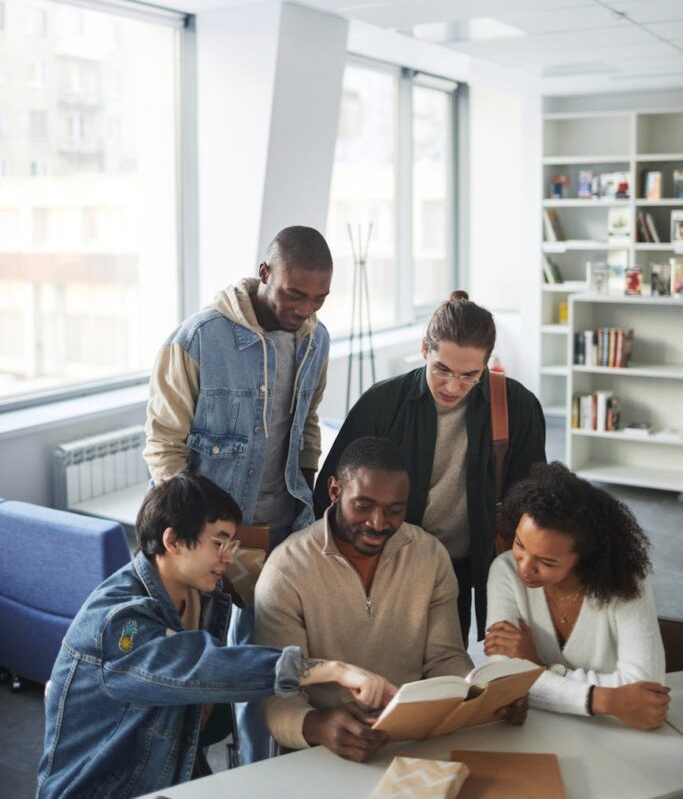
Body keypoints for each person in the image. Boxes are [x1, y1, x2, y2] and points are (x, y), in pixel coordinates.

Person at [37, 474, 394, 799]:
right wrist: (330, 670)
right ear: (173, 541)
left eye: (231, 545)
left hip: (170, 779)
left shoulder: (204, 597)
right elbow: (204, 666)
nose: (228, 558)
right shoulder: (122, 625)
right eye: (219, 544)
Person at [144, 225, 333, 762]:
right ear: (265, 272)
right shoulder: (198, 338)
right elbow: (164, 444)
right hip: (207, 533)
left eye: (318, 298)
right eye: (295, 293)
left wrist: (312, 488)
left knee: (264, 663)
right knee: (194, 671)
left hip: (281, 527)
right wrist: (188, 534)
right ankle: (190, 772)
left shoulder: (317, 339)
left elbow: (309, 422)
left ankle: (257, 774)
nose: (305, 308)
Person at [256, 437, 526, 762]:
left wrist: (482, 698)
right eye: (363, 506)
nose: (378, 523)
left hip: (413, 742)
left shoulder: (429, 556)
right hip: (322, 751)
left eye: (394, 510)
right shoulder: (286, 570)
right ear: (334, 491)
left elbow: (444, 658)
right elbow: (278, 690)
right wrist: (317, 725)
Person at [313, 290, 546, 642]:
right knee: (402, 661)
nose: (453, 386)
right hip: (396, 563)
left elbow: (534, 502)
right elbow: (329, 495)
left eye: (470, 375)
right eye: (442, 369)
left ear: (487, 363)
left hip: (479, 559)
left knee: (472, 660)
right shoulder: (382, 403)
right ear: (425, 349)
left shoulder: (518, 406)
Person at [484, 462, 669, 730]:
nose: (524, 567)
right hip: (538, 730)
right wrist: (604, 700)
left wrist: (539, 668)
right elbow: (502, 678)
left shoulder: (627, 582)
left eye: (546, 562)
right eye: (519, 544)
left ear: (584, 557)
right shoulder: (505, 571)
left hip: (613, 738)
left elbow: (646, 691)